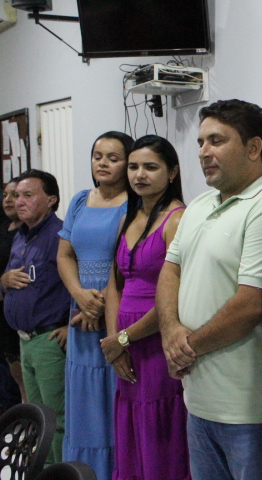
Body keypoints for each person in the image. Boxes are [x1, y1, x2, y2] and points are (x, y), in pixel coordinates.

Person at [157, 99, 262, 480]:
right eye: (201, 142)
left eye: (216, 141)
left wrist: (184, 348)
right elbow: (169, 271)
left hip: (249, 410)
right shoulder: (199, 205)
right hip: (198, 401)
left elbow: (252, 304)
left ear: (253, 148)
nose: (204, 152)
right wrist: (170, 332)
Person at [100, 135, 189, 480]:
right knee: (133, 429)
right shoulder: (130, 216)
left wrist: (124, 339)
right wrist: (115, 343)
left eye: (150, 167)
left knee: (159, 432)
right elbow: (114, 284)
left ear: (172, 172)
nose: (139, 175)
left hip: (156, 340)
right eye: (134, 166)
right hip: (125, 343)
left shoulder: (177, 219)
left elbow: (174, 298)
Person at [57, 131, 132, 480]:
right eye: (97, 156)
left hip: (115, 313)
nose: (102, 163)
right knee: (83, 406)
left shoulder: (134, 204)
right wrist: (80, 296)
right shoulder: (79, 201)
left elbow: (130, 262)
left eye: (113, 158)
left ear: (127, 163)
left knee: (112, 399)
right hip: (80, 317)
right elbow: (65, 255)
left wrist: (101, 303)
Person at [1, 169, 72, 465]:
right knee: (37, 417)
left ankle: (58, 472)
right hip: (24, 341)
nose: (19, 201)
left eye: (28, 195)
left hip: (49, 338)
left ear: (51, 199)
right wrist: (3, 280)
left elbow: (80, 282)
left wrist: (71, 325)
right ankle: (41, 471)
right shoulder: (19, 236)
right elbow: (12, 280)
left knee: (57, 419)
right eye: (17, 195)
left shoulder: (61, 236)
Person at [0, 179, 25, 406]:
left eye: (15, 195)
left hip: (25, 317)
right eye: (6, 195)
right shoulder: (3, 229)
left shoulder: (30, 232)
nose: (8, 200)